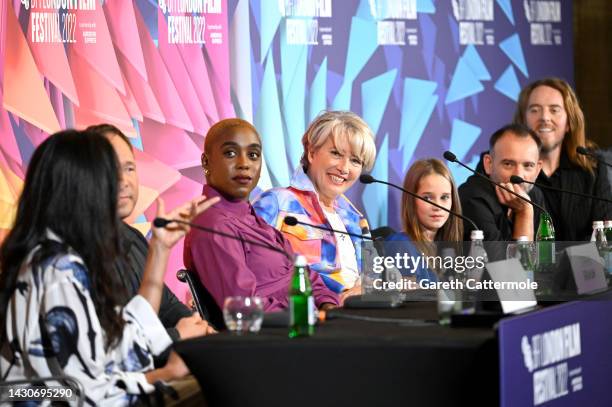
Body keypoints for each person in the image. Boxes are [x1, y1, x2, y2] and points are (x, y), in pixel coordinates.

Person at [0, 130, 219, 405]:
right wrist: (162, 373)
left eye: (128, 169)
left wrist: (160, 250)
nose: (121, 183)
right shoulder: (58, 270)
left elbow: (108, 349)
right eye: (107, 175)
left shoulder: (60, 255)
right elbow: (81, 392)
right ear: (78, 186)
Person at [183, 119, 339, 312]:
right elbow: (245, 307)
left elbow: (303, 274)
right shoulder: (214, 226)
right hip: (276, 335)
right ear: (206, 162)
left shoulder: (249, 215)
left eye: (253, 155)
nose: (244, 164)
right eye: (230, 153)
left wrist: (328, 304)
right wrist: (308, 316)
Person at [86, 124, 213, 344]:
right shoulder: (75, 251)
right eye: (110, 169)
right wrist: (178, 337)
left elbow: (166, 305)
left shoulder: (132, 237)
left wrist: (202, 330)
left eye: (129, 168)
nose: (124, 181)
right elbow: (114, 348)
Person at [253, 111, 377, 300]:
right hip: (307, 316)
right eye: (336, 153)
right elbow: (256, 275)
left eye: (355, 161)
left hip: (358, 317)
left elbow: (373, 276)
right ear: (311, 153)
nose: (344, 168)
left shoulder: (356, 218)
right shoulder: (276, 203)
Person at [513, 77, 611, 240]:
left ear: (569, 123)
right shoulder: (502, 166)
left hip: (584, 265)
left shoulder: (593, 168)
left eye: (554, 109)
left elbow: (604, 237)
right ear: (523, 120)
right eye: (535, 110)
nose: (544, 117)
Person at [460, 124, 546, 241]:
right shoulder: (473, 199)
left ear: (537, 169)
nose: (519, 175)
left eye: (528, 166)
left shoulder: (534, 194)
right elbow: (502, 259)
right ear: (488, 164)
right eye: (508, 164)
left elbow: (542, 254)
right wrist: (524, 213)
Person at [387, 159, 463, 281]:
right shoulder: (402, 245)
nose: (438, 206)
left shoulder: (445, 247)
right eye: (427, 198)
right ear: (411, 201)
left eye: (444, 197)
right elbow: (407, 298)